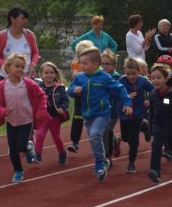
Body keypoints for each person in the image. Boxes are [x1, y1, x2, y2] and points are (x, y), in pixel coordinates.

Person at [67, 44, 133, 181]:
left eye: (85, 63)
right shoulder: (80, 77)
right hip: (87, 115)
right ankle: (102, 160)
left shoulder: (105, 77)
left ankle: (99, 163)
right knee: (93, 138)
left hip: (103, 114)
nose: (82, 66)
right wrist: (74, 90)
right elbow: (70, 89)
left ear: (96, 64)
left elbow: (120, 89)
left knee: (96, 134)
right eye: (81, 63)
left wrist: (127, 103)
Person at [0, 53, 49, 183]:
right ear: (8, 68)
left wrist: (41, 110)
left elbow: (41, 96)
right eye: (17, 66)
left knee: (21, 145)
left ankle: (28, 147)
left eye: (23, 67)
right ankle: (18, 171)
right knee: (13, 149)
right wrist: (3, 111)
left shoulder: (29, 83)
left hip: (26, 121)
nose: (21, 69)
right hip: (11, 122)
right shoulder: (1, 86)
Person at [146, 63, 172, 183]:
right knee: (156, 146)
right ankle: (155, 170)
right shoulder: (153, 94)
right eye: (153, 78)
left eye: (158, 78)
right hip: (158, 125)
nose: (155, 80)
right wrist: (150, 126)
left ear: (166, 78)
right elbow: (151, 111)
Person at [118, 57, 155, 173]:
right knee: (125, 137)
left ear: (139, 71)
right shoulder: (121, 81)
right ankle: (144, 127)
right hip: (124, 114)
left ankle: (131, 163)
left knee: (133, 139)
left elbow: (154, 90)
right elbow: (115, 93)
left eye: (134, 74)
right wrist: (126, 96)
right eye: (128, 74)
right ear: (125, 72)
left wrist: (149, 100)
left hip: (138, 113)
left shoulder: (143, 81)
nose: (131, 77)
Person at [34, 62, 70, 165]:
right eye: (46, 73)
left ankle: (62, 152)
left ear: (55, 74)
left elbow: (65, 100)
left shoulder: (59, 87)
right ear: (41, 75)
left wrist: (62, 108)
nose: (49, 75)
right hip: (42, 117)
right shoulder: (38, 87)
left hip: (54, 117)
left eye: (51, 72)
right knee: (40, 135)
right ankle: (38, 155)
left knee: (56, 137)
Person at [0, 7, 40, 77]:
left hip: (27, 78)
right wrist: (6, 64)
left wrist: (33, 64)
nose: (25, 21)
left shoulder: (29, 35)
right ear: (12, 19)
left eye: (26, 19)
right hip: (7, 78)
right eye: (22, 18)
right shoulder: (2, 36)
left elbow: (35, 53)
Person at [66, 40, 91, 154]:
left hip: (93, 102)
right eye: (80, 54)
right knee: (77, 119)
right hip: (80, 100)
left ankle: (112, 140)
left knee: (94, 124)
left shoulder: (96, 69)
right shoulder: (76, 66)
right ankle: (74, 142)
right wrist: (74, 90)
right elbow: (71, 88)